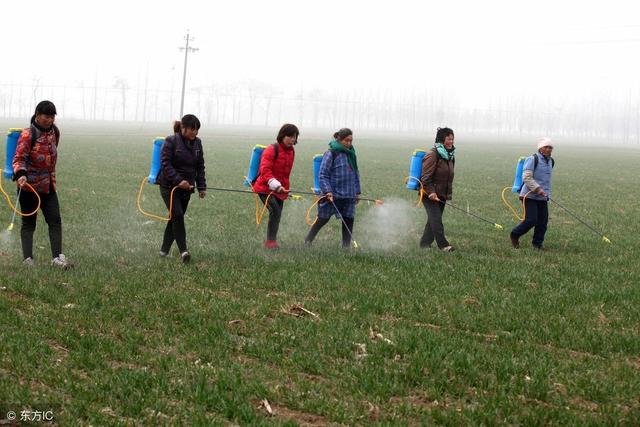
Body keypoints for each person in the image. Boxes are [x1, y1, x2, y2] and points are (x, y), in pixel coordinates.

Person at [12, 100, 71, 268]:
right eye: (47, 116)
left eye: (53, 116)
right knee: (29, 223)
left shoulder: (55, 132)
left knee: (55, 220)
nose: (50, 119)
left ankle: (57, 258)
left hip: (49, 186)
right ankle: (28, 259)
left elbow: (51, 154)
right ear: (37, 115)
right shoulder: (28, 134)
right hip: (28, 187)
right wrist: (21, 173)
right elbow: (18, 158)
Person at [158, 114, 206, 263]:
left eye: (197, 129)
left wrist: (202, 186)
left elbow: (200, 166)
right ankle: (184, 251)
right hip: (169, 187)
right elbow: (166, 164)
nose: (195, 132)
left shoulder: (198, 143)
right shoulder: (170, 141)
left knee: (174, 218)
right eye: (192, 129)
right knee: (177, 215)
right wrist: (178, 181)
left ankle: (163, 251)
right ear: (183, 128)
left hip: (187, 189)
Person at [305, 128, 360, 248]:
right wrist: (327, 191)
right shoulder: (331, 153)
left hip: (349, 195)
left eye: (351, 141)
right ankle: (308, 240)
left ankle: (346, 247)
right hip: (332, 195)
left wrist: (357, 192)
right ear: (339, 139)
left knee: (348, 219)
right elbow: (323, 174)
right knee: (322, 219)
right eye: (346, 140)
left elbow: (356, 174)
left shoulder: (352, 154)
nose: (349, 143)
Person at [252, 123, 298, 249]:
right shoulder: (271, 149)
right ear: (282, 135)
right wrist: (276, 185)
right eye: (290, 136)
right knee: (275, 211)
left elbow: (285, 173)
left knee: (278, 214)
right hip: (264, 188)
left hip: (281, 189)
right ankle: (270, 242)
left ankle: (272, 240)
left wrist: (284, 189)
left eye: (294, 137)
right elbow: (265, 170)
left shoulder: (291, 151)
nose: (292, 139)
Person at [510, 137, 554, 250]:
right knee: (531, 220)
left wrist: (547, 194)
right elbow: (527, 177)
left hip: (542, 197)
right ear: (540, 148)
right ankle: (515, 234)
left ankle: (537, 245)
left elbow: (546, 180)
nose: (549, 149)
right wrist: (538, 189)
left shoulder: (551, 161)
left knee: (542, 223)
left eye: (550, 147)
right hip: (528, 195)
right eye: (546, 147)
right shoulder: (532, 159)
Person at [419, 127, 455, 252]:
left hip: (441, 195)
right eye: (448, 139)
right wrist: (431, 192)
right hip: (428, 194)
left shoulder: (449, 156)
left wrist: (444, 193)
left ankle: (424, 244)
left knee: (433, 220)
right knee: (436, 220)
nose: (451, 141)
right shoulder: (433, 155)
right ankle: (443, 245)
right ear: (441, 139)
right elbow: (425, 177)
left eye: (452, 139)